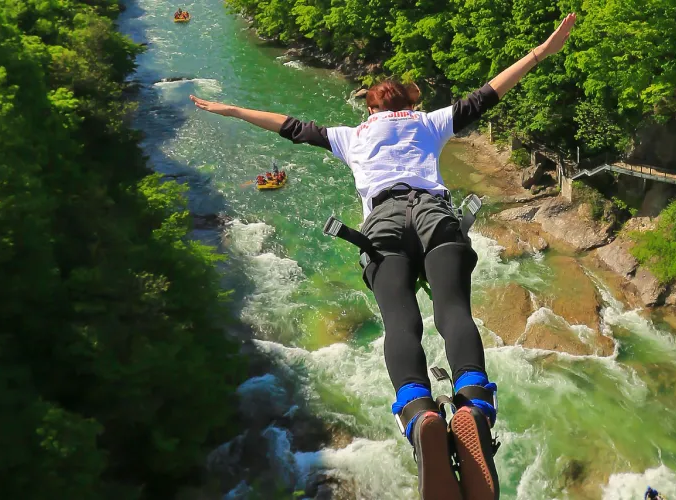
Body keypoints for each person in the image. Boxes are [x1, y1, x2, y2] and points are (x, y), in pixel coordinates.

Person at [190, 13, 575, 499]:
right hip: (436, 217)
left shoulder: (351, 137)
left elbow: (287, 126)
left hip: (384, 227)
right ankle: (474, 406)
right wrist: (542, 51)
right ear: (411, 103)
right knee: (453, 312)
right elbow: (491, 90)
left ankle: (419, 416)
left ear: (367, 110)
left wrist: (232, 110)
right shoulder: (430, 123)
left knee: (400, 325)